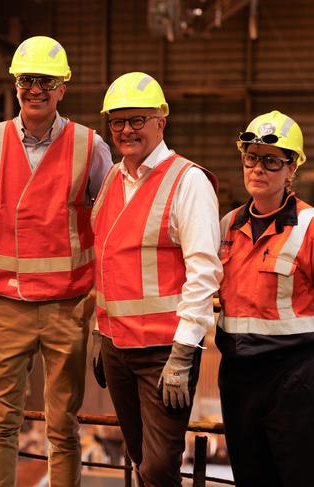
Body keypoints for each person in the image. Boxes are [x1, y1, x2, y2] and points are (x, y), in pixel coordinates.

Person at [0, 35, 112, 487]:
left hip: (68, 306)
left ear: (63, 87)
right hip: (6, 303)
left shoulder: (89, 146)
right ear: (16, 85)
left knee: (62, 427)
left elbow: (111, 221)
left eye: (46, 80)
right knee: (3, 422)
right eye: (27, 80)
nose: (35, 89)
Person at [91, 71, 222, 486]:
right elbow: (108, 261)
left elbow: (204, 272)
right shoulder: (113, 177)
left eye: (137, 120)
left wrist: (184, 353)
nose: (126, 130)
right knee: (137, 456)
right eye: (117, 121)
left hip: (164, 353)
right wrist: (101, 334)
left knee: (160, 466)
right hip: (117, 347)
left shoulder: (188, 181)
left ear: (160, 122)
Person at [217, 110, 314, 487]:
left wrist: (304, 358)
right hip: (239, 378)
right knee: (251, 478)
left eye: (271, 161)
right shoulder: (228, 226)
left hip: (300, 381)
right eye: (251, 157)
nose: (258, 169)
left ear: (291, 168)